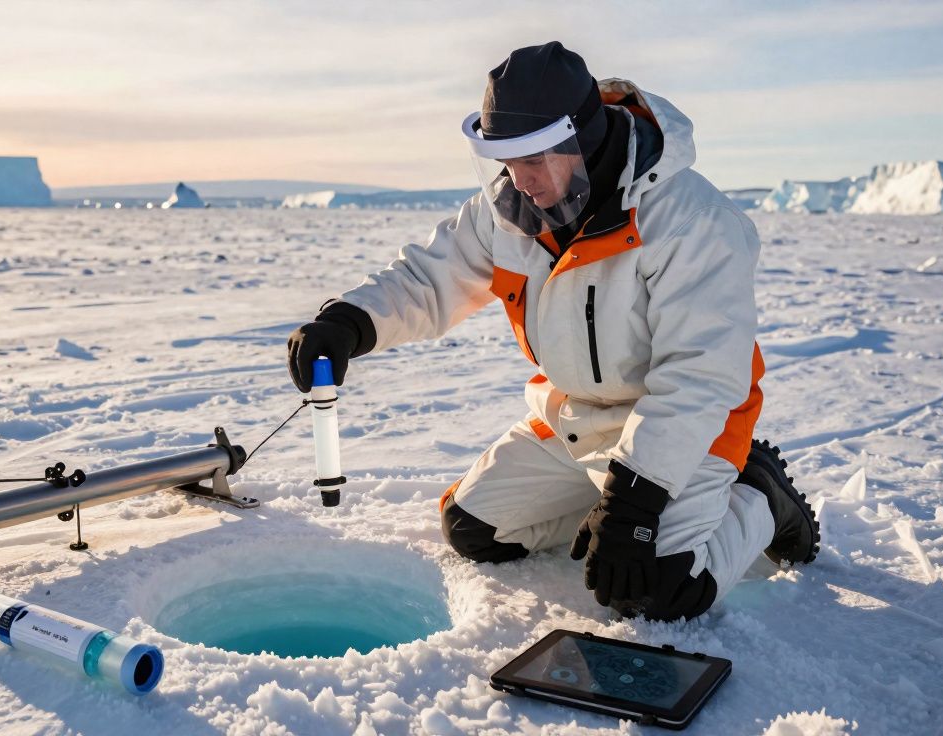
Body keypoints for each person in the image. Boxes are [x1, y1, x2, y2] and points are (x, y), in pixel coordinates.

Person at [285, 42, 819, 622]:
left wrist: (634, 503)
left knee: (658, 589)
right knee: (474, 529)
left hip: (691, 426)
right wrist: (348, 322)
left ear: (581, 140)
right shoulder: (511, 211)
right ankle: (606, 492)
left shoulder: (692, 221)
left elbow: (701, 377)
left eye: (532, 159)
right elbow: (428, 278)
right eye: (505, 161)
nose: (520, 180)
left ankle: (758, 496)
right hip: (575, 416)